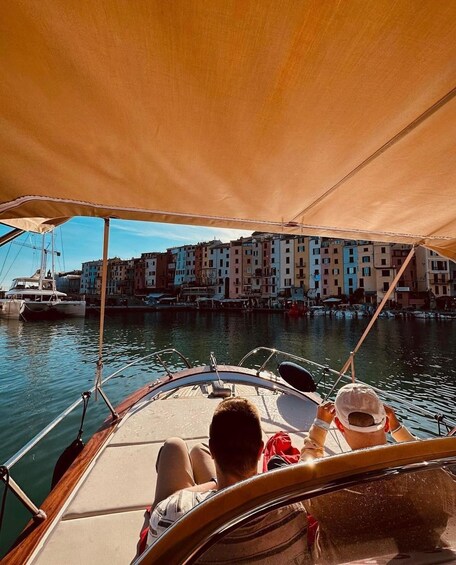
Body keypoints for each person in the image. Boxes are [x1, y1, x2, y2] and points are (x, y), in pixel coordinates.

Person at [146, 397, 311, 563]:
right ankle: (224, 484)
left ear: (213, 450)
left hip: (192, 512)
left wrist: (217, 485)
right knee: (198, 451)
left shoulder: (172, 517)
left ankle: (220, 484)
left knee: (174, 446)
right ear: (260, 449)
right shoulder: (293, 513)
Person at [300, 382, 415, 461]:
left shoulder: (333, 473)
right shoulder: (419, 462)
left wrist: (320, 426)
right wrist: (397, 429)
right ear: (386, 426)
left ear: (339, 426)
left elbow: (302, 477)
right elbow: (419, 448)